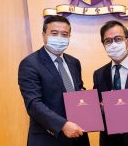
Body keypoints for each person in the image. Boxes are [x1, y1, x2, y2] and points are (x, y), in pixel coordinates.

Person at [18, 16, 90, 146]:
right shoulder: (30, 64)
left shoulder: (74, 62)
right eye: (54, 33)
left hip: (78, 138)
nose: (59, 38)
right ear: (43, 35)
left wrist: (94, 105)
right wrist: (63, 125)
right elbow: (33, 104)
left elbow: (77, 93)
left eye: (64, 34)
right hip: (48, 139)